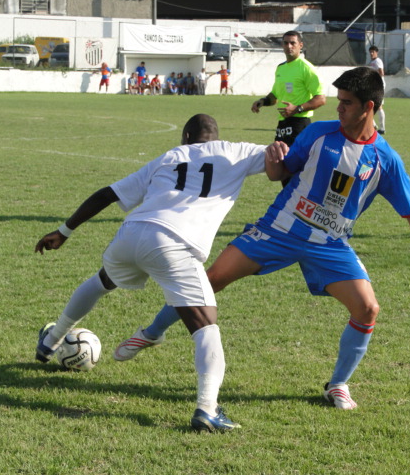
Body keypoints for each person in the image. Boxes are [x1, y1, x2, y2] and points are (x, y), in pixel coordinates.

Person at [115, 67, 410, 412]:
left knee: (367, 309)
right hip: (278, 229)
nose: (338, 108)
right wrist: (276, 160)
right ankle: (152, 332)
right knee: (211, 279)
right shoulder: (319, 134)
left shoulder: (386, 160)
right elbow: (280, 173)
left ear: (368, 107)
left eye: (347, 103)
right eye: (338, 101)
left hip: (330, 244)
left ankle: (337, 384)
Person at [34, 114, 275, 432]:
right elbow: (281, 155)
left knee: (103, 280)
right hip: (175, 243)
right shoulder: (236, 150)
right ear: (215, 136)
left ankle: (50, 341)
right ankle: (207, 409)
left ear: (186, 136)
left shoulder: (170, 156)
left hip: (132, 233)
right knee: (205, 325)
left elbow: (107, 194)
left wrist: (64, 230)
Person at [250, 30, 326, 186]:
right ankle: (288, 207)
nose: (289, 46)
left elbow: (320, 99)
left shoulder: (306, 68)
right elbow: (275, 96)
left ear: (300, 45)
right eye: (285, 43)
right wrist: (263, 101)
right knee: (282, 170)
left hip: (300, 124)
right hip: (283, 125)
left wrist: (297, 108)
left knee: (298, 173)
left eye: (293, 43)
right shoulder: (281, 68)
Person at [368, 46, 386, 134]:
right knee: (369, 104)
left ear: (376, 52)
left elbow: (381, 72)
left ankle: (381, 128)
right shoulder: (372, 62)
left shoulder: (378, 61)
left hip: (378, 86)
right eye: (370, 52)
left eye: (373, 52)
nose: (371, 53)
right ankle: (375, 126)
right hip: (374, 86)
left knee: (377, 106)